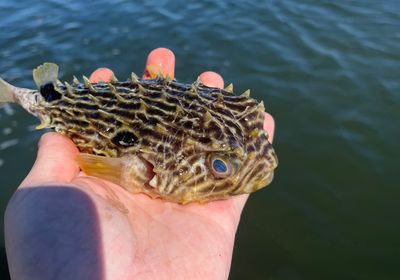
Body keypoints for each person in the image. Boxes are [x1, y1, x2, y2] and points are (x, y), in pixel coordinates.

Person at [4, 48, 275, 280]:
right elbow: (91, 163)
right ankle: (22, 94)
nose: (269, 161)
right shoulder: (142, 169)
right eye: (220, 166)